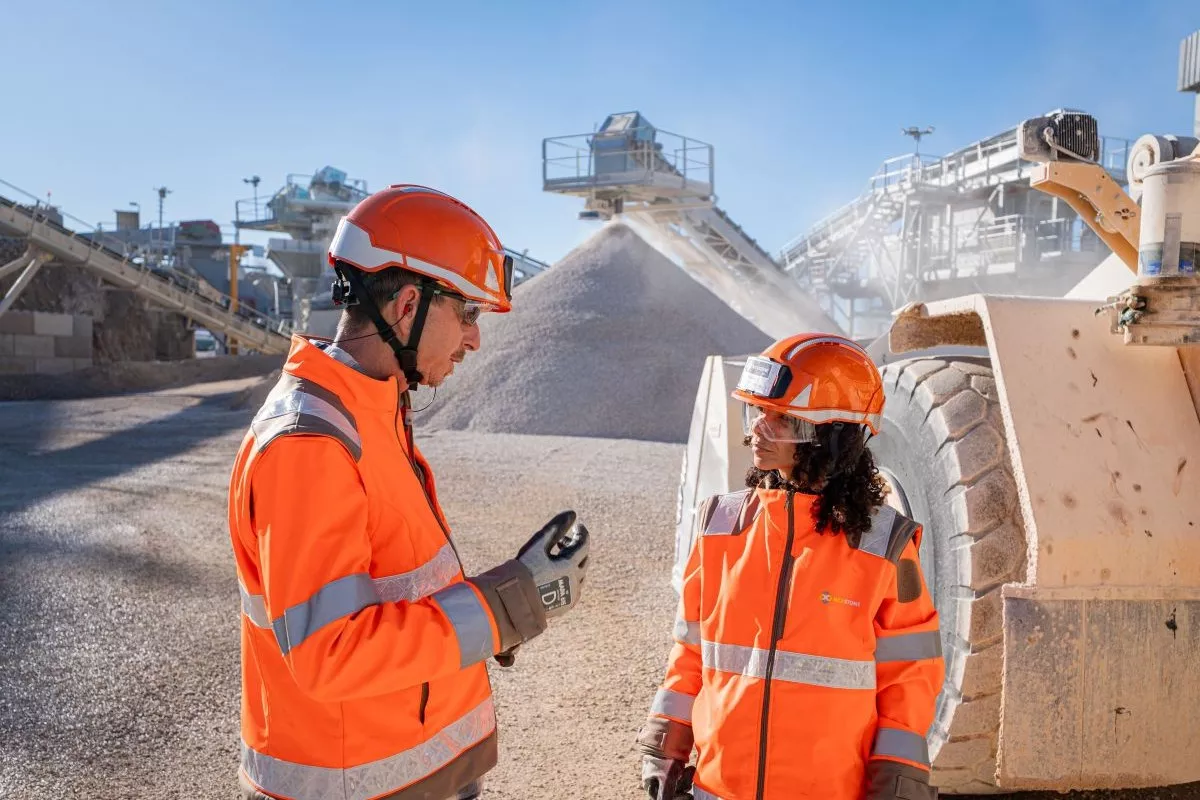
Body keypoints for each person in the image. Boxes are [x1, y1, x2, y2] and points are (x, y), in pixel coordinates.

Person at [227, 185, 591, 800]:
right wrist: (506, 608)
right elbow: (331, 652)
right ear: (406, 307)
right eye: (468, 314)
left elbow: (406, 588)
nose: (475, 340)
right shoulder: (309, 444)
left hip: (412, 770)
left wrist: (507, 598)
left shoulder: (373, 412)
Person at [636, 333, 944, 800]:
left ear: (830, 435)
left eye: (780, 419)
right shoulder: (720, 526)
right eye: (757, 414)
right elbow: (691, 651)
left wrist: (898, 776)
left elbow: (909, 675)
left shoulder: (885, 546)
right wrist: (666, 742)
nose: (758, 430)